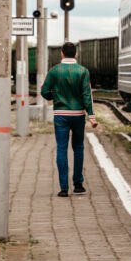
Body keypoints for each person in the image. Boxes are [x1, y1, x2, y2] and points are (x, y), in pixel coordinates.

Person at [41, 41, 97, 197]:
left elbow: (44, 91)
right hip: (78, 115)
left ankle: (64, 188)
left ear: (62, 53)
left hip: (60, 115)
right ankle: (78, 185)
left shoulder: (54, 71)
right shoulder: (83, 71)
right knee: (78, 148)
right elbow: (87, 95)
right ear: (76, 54)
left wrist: (56, 98)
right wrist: (91, 116)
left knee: (61, 148)